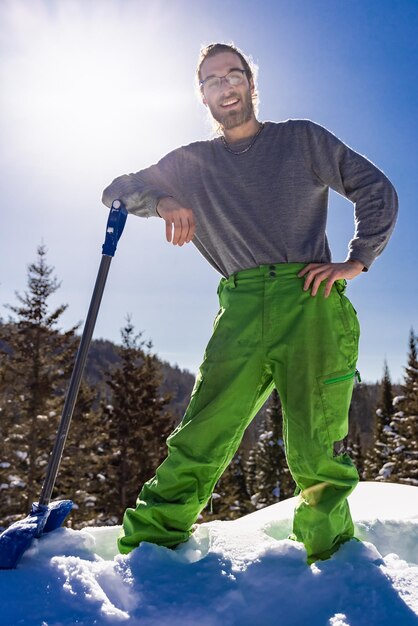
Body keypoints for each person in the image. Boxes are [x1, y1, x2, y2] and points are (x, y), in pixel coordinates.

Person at [102, 42, 398, 564]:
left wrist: (357, 259)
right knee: (203, 431)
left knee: (314, 445)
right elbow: (117, 190)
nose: (225, 86)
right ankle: (150, 547)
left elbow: (375, 188)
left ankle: (330, 559)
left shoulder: (301, 139)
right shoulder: (189, 163)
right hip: (239, 305)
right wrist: (163, 199)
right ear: (203, 95)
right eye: (213, 80)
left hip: (310, 300)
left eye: (233, 75)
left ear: (250, 83)